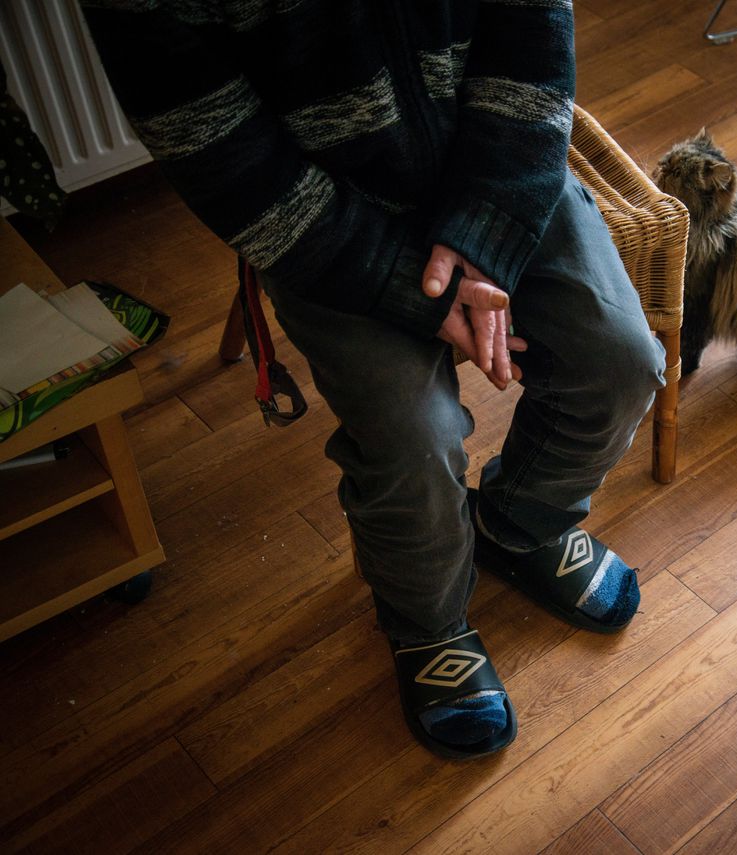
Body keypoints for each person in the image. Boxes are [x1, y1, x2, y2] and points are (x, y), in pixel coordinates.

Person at [80, 0, 666, 759]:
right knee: (411, 437)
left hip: (495, 156)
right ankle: (427, 624)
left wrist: (489, 229)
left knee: (621, 359)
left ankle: (522, 523)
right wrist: (405, 288)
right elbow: (225, 161)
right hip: (322, 218)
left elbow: (531, 30)